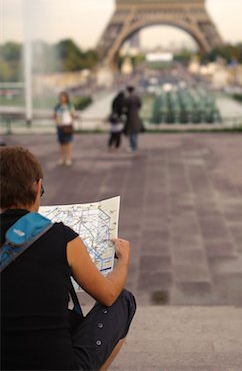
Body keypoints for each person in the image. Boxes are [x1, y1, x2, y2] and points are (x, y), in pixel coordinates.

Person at [0, 146, 136, 371]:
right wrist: (124, 262)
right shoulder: (62, 238)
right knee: (123, 300)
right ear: (38, 188)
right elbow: (109, 295)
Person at [54, 91, 75, 166]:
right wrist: (57, 122)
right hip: (60, 126)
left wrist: (71, 123)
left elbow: (73, 115)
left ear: (66, 98)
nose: (62, 99)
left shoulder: (70, 106)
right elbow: (54, 116)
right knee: (61, 143)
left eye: (63, 97)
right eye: (61, 98)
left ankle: (68, 158)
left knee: (68, 143)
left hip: (67, 126)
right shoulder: (57, 106)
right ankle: (62, 158)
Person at [124, 86, 143, 152]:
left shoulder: (128, 98)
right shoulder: (136, 98)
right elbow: (140, 105)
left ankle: (133, 147)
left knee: (131, 132)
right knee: (134, 132)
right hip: (136, 115)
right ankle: (134, 146)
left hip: (130, 116)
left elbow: (125, 108)